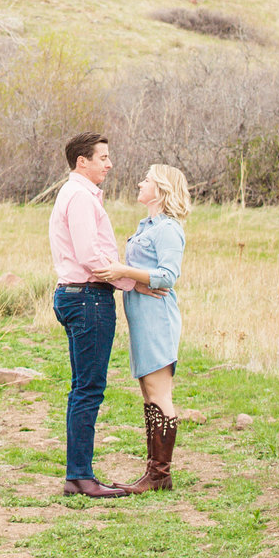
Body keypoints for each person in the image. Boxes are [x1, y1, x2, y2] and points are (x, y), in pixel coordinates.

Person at [47, 131, 135, 498]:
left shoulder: (76, 194)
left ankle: (78, 474)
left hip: (76, 296)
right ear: (82, 161)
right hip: (87, 298)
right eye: (103, 158)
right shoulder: (80, 197)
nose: (109, 164)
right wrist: (134, 282)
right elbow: (89, 255)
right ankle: (80, 477)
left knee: (82, 387)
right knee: (88, 388)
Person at [95, 164, 188, 492]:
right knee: (149, 392)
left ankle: (160, 474)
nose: (140, 182)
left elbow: (167, 276)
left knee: (160, 393)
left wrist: (125, 270)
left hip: (158, 318)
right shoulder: (146, 225)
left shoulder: (168, 229)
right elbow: (141, 275)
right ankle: (154, 473)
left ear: (160, 190)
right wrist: (131, 278)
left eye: (146, 180)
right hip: (142, 317)